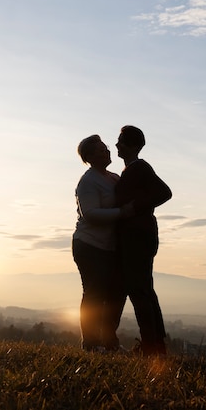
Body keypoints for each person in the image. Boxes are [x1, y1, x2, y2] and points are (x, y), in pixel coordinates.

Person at [114, 125, 172, 356]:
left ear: (133, 145)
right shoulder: (133, 169)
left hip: (138, 237)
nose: (117, 144)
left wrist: (134, 207)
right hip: (139, 235)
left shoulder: (139, 168)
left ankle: (151, 346)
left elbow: (164, 192)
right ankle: (155, 344)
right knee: (144, 289)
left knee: (139, 291)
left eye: (121, 141)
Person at [72, 134, 131, 352]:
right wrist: (122, 212)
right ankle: (91, 343)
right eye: (100, 150)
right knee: (94, 294)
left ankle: (109, 341)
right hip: (89, 245)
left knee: (116, 294)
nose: (106, 151)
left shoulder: (112, 177)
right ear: (89, 157)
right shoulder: (88, 181)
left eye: (105, 148)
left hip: (109, 246)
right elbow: (90, 214)